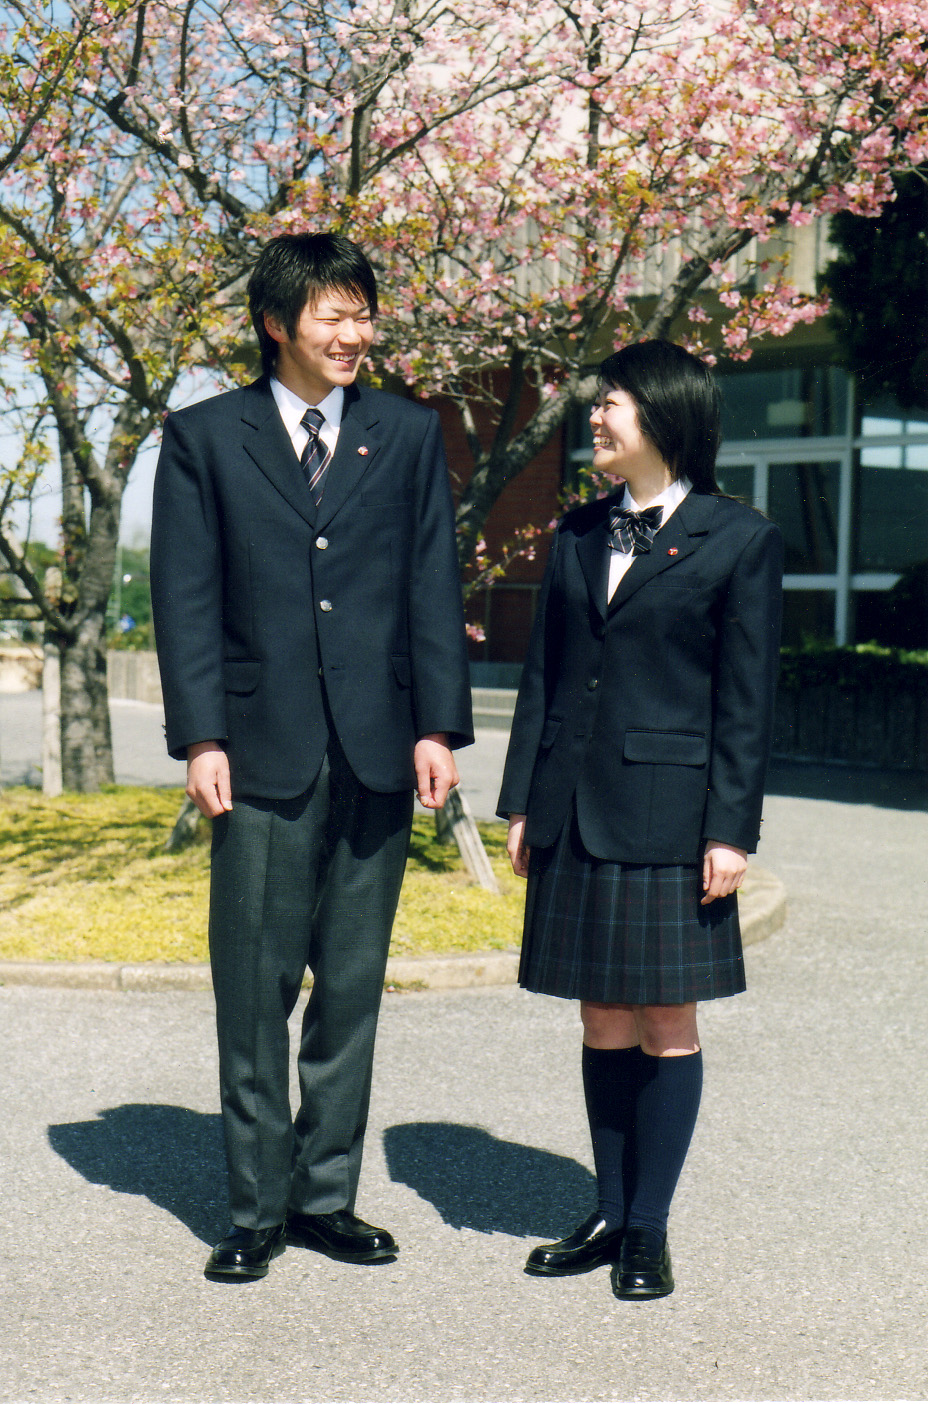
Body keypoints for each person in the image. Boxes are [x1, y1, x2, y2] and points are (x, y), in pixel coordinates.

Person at [150, 231, 473, 1281]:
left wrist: (436, 725)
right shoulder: (205, 437)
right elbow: (185, 598)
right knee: (253, 990)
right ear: (276, 324)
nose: (354, 334)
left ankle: (325, 1196)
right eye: (334, 315)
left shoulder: (408, 434)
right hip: (258, 750)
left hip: (380, 746)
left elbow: (432, 586)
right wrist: (200, 734)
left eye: (363, 314)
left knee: (351, 984)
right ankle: (253, 1211)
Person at [497, 340, 782, 1301]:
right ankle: (610, 1211)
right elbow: (544, 677)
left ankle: (650, 1230)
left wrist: (731, 830)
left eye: (611, 403)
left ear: (663, 415)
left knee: (667, 1019)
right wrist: (525, 801)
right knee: (602, 1016)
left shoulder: (738, 539)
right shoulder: (577, 533)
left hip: (672, 815)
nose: (596, 417)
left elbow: (746, 702)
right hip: (575, 810)